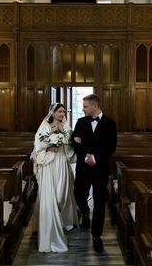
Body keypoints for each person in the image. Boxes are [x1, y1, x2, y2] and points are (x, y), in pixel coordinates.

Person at [71, 94, 117, 253]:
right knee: (78, 193)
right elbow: (74, 143)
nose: (82, 109)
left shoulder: (110, 124)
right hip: (83, 167)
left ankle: (97, 236)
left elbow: (111, 146)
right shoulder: (81, 122)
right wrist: (85, 156)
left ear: (95, 106)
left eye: (85, 106)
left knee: (99, 201)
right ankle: (84, 213)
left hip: (100, 168)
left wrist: (96, 158)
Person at [32, 103, 79, 253]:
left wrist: (66, 140)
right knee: (52, 196)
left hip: (62, 162)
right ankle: (52, 223)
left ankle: (64, 220)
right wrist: (49, 146)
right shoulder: (45, 125)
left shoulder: (66, 125)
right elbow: (39, 143)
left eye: (63, 111)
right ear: (52, 112)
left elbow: (70, 142)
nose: (62, 114)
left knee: (62, 195)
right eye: (59, 111)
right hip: (49, 164)